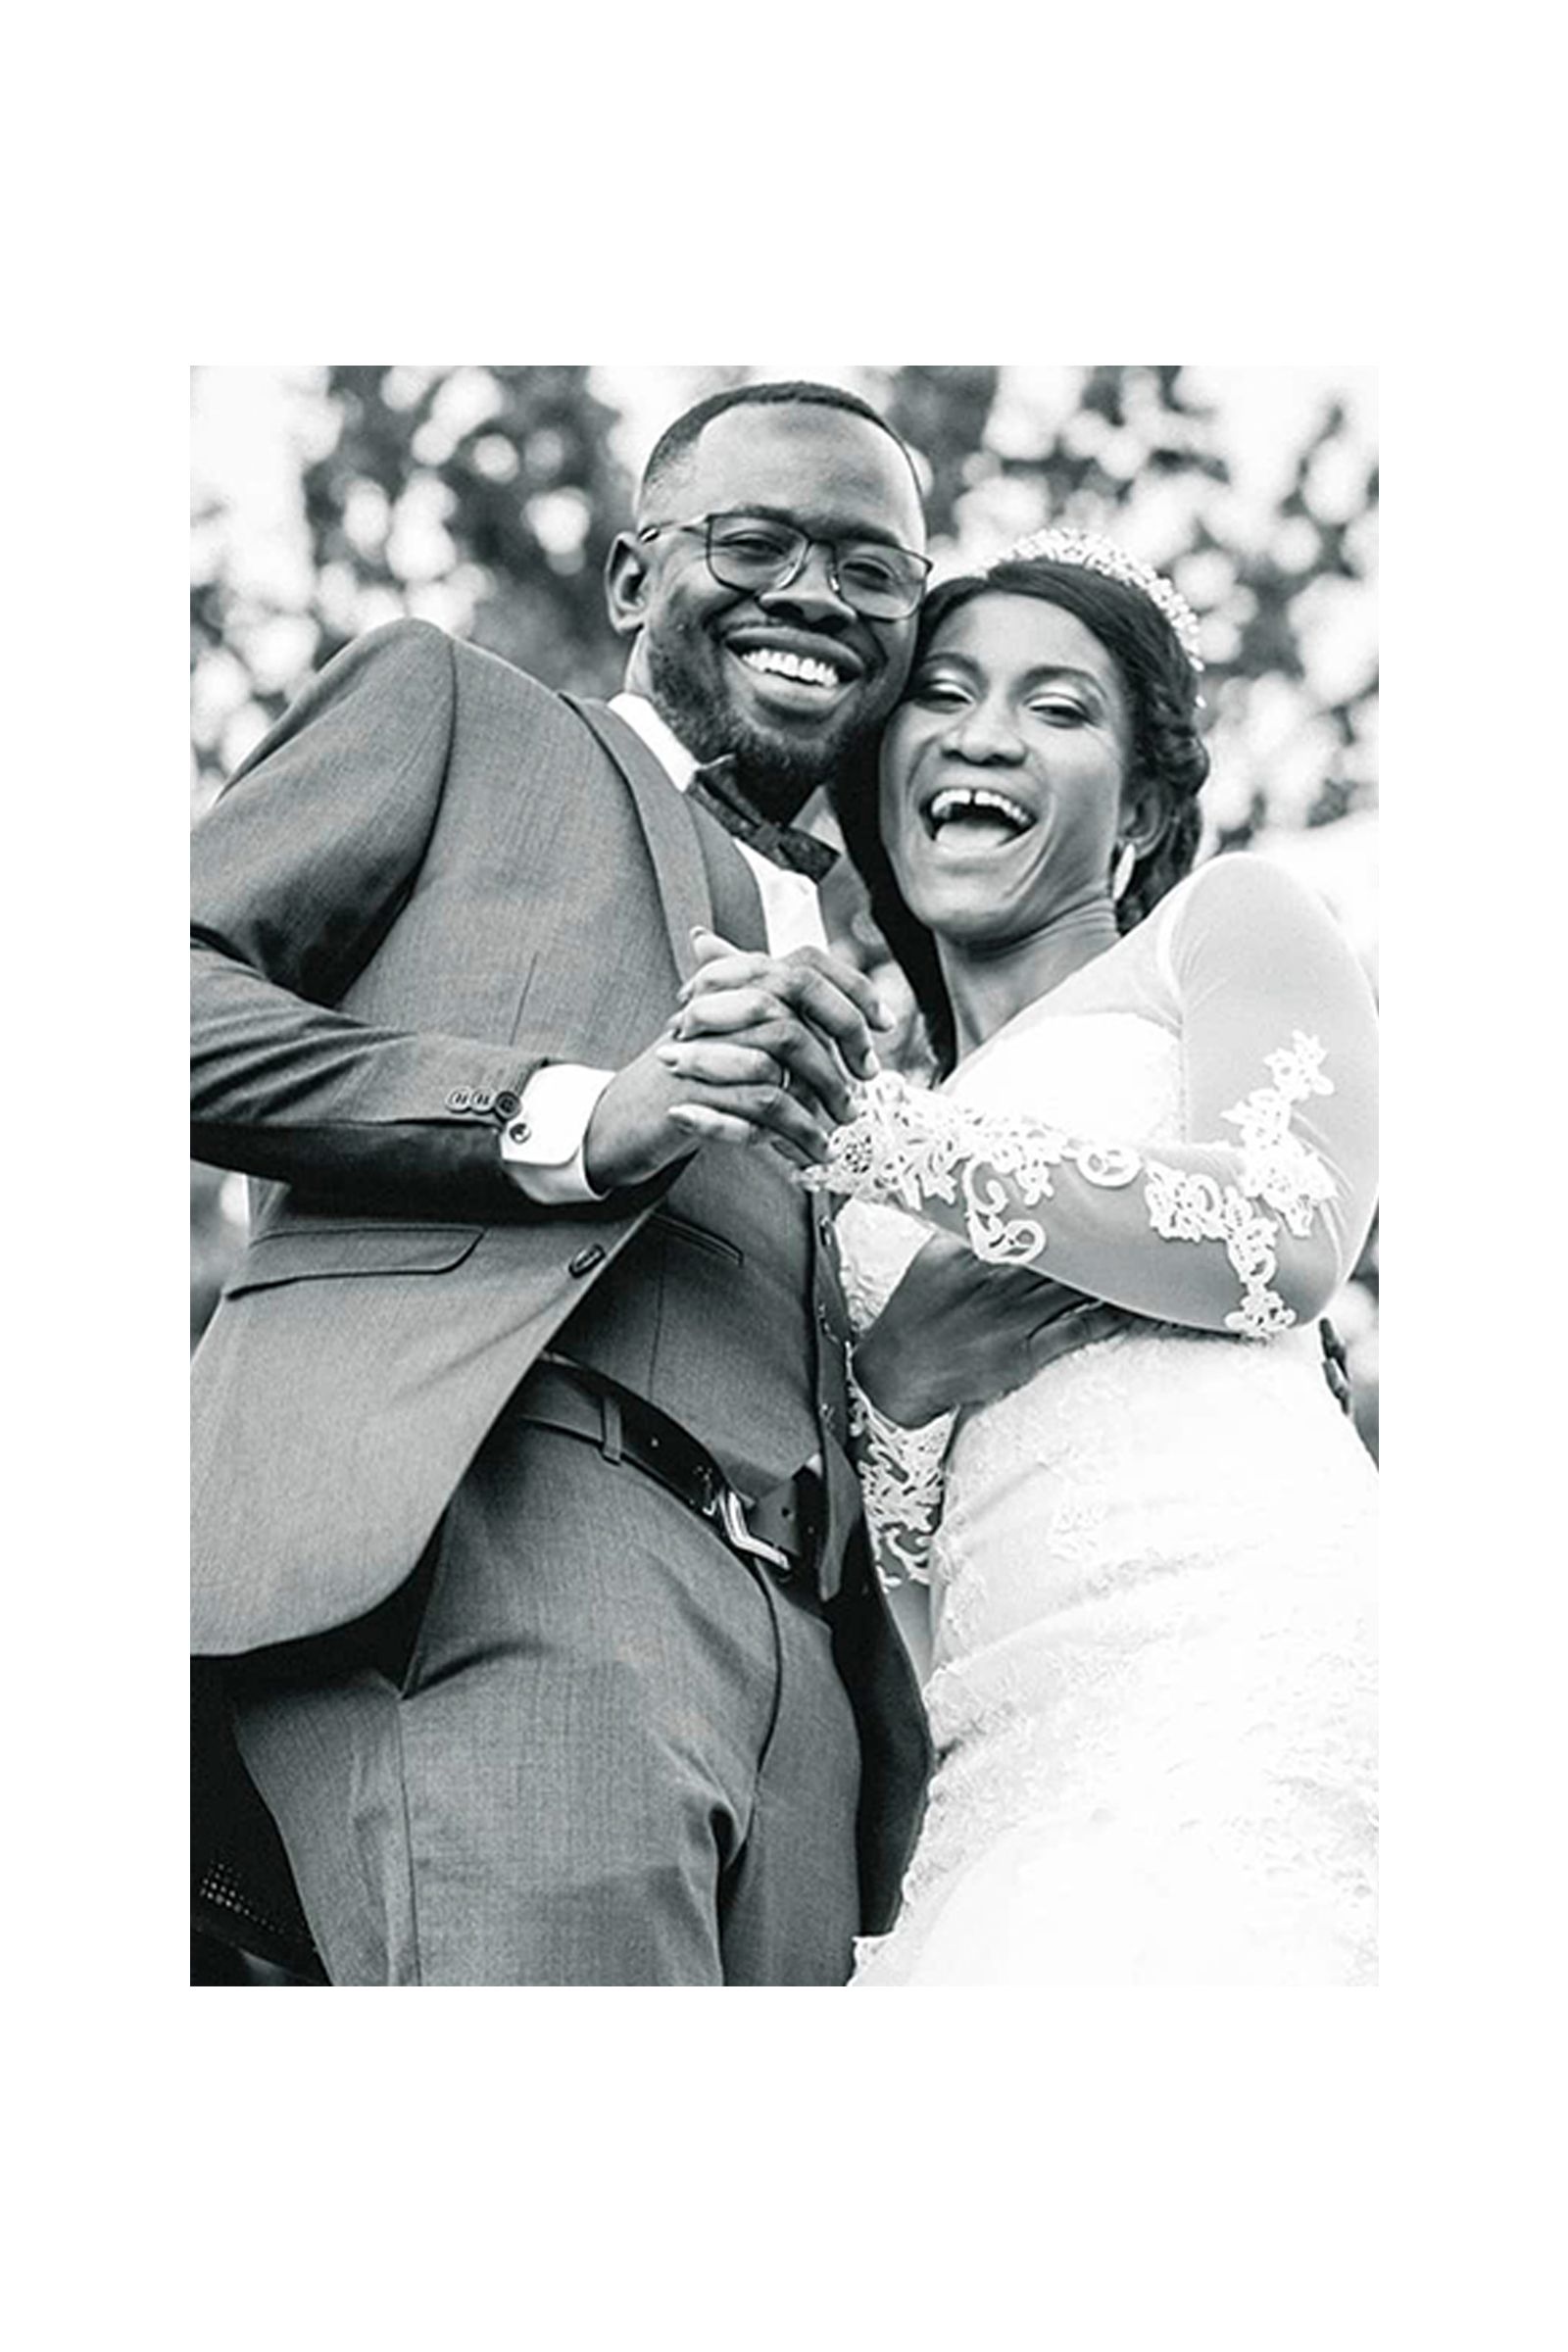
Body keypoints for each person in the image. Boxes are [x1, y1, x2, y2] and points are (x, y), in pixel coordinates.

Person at [192, 379, 967, 1984]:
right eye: (756, 542)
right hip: (513, 1546)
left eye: (873, 569)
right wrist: (569, 1116)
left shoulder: (889, 963)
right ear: (633, 579)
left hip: (813, 1707)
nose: (816, 593)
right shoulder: (455, 712)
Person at [661, 530, 1379, 1984]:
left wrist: (878, 1145)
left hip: (1239, 1629)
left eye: (1058, 710)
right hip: (988, 1735)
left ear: (1145, 800)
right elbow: (871, 1534)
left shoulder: (1222, 929)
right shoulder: (870, 1073)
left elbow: (1282, 1235)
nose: (983, 735)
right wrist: (897, 1372)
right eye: (940, 695)